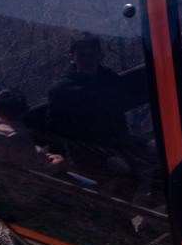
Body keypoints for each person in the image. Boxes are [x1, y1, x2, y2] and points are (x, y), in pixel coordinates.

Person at [46, 34, 142, 182]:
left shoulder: (111, 80)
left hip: (118, 143)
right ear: (72, 58)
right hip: (87, 151)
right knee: (125, 174)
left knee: (158, 152)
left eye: (91, 55)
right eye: (82, 55)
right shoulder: (62, 90)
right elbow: (55, 128)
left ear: (100, 57)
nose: (87, 59)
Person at [0, 89, 66, 174]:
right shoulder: (18, 139)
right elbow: (37, 174)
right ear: (26, 111)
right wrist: (58, 163)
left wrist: (39, 152)